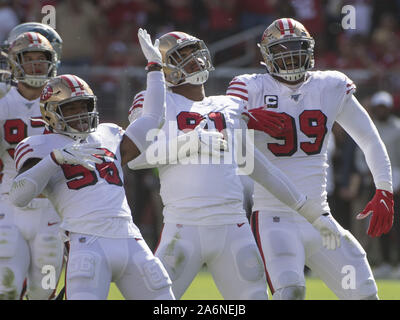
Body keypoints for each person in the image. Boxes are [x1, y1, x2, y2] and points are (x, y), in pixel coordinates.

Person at [127, 30, 343, 299]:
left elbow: (257, 166)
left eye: (194, 52)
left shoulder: (228, 105)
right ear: (166, 67)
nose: (193, 59)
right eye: (181, 56)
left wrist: (312, 214)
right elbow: (136, 159)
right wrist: (189, 143)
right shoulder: (156, 102)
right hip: (184, 227)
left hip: (233, 226)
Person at [226, 18, 394, 300]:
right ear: (266, 55)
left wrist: (385, 188)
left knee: (365, 293)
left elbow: (368, 138)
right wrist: (246, 118)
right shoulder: (249, 86)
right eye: (283, 50)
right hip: (274, 219)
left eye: (297, 48)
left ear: (310, 50)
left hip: (322, 219)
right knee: (290, 292)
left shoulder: (329, 85)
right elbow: (226, 131)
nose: (291, 57)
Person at [8, 29, 176, 300]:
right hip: (87, 241)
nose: (81, 115)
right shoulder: (39, 145)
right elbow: (19, 195)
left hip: (129, 237)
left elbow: (153, 118)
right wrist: (55, 159)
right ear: (51, 114)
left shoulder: (108, 135)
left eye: (84, 106)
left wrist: (155, 68)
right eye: (71, 109)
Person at [0, 31, 63, 300]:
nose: (36, 64)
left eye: (42, 58)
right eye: (29, 58)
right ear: (15, 62)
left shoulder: (65, 99)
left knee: (43, 290)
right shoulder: (3, 100)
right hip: (8, 205)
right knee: (7, 286)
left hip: (52, 207)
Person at [354, 91, 400, 278]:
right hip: (374, 182)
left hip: (396, 182)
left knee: (397, 224)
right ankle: (384, 262)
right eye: (378, 107)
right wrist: (364, 171)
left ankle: (396, 263)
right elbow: (361, 154)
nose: (381, 111)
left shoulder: (397, 128)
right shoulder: (370, 127)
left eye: (384, 107)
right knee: (380, 223)